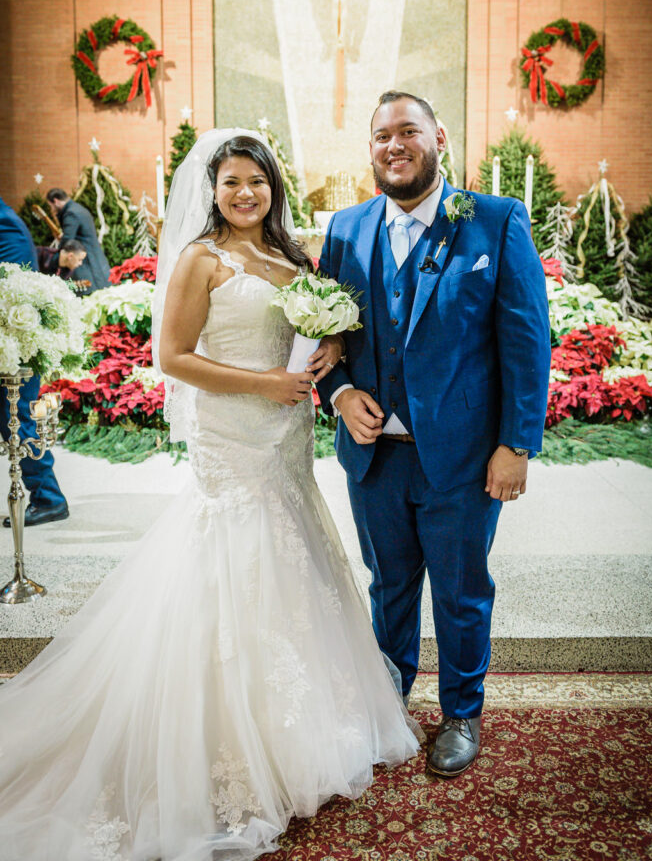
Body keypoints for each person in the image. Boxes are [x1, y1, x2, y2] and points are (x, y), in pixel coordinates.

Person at [0, 130, 420, 861]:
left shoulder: (290, 258)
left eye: (256, 181)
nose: (245, 194)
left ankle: (303, 726)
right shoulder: (201, 258)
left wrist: (329, 353)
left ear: (273, 187)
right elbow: (173, 357)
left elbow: (323, 332)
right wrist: (265, 385)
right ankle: (227, 741)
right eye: (231, 183)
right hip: (234, 435)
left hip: (286, 437)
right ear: (212, 190)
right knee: (231, 559)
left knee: (294, 553)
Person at [316, 91, 551, 778]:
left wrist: (517, 443)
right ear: (370, 149)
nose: (395, 145)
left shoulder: (494, 221)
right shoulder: (346, 229)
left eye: (408, 131)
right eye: (382, 135)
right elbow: (326, 336)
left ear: (438, 137)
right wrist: (339, 393)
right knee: (387, 586)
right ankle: (388, 700)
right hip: (374, 458)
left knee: (459, 590)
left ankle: (461, 713)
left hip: (464, 458)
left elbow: (526, 339)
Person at [0, 196, 69, 527]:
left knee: (18, 418)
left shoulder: (6, 224)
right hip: (10, 339)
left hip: (16, 342)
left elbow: (15, 285)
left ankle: (48, 499)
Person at [45, 187, 111, 291]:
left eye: (51, 206)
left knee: (88, 288)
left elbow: (67, 238)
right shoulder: (77, 208)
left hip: (84, 257)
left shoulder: (70, 213)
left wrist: (57, 258)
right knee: (101, 285)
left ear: (56, 201)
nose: (52, 210)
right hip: (93, 253)